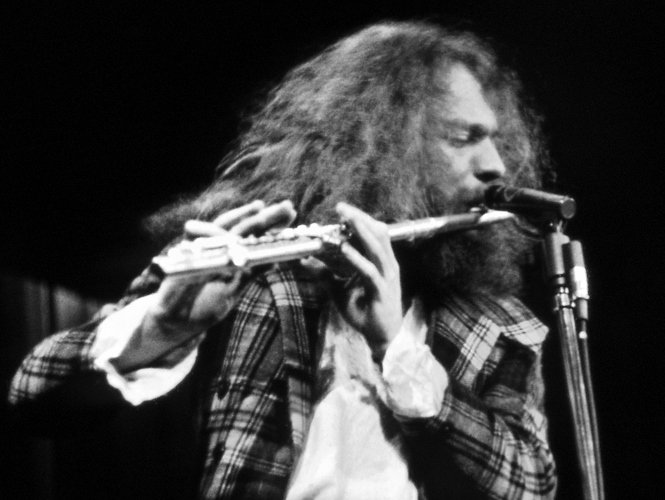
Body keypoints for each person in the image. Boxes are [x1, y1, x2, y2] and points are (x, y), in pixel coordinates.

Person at [8, 21, 557, 499]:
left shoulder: (500, 325)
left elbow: (530, 486)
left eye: (495, 140)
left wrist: (398, 349)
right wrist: (162, 328)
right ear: (384, 141)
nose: (496, 165)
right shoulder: (243, 267)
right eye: (464, 138)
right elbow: (32, 396)